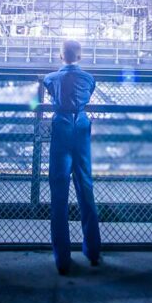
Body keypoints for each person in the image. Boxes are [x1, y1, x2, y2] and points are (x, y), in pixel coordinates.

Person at [43, 39, 101, 274]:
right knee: (85, 187)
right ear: (80, 56)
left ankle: (62, 259)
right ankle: (93, 250)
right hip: (81, 126)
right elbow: (90, 90)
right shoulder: (88, 79)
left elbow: (48, 86)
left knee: (59, 192)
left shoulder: (51, 79)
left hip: (62, 126)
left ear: (60, 56)